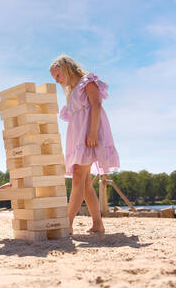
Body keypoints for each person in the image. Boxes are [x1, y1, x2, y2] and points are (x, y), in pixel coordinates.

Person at [50, 54, 120, 235]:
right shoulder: (72, 91)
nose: (57, 81)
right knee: (86, 182)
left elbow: (96, 105)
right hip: (78, 138)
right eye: (54, 78)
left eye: (58, 75)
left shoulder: (87, 82)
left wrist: (93, 132)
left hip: (89, 136)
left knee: (78, 178)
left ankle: (68, 223)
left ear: (66, 69)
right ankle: (98, 224)